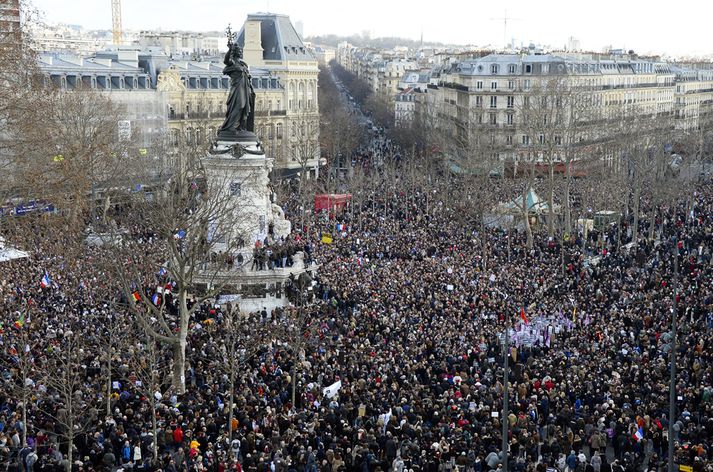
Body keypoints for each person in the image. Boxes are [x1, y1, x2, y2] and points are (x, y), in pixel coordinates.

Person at [217, 43, 255, 138]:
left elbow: (248, 77)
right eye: (239, 50)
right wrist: (230, 50)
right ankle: (231, 126)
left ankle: (240, 126)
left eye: (241, 51)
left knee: (245, 107)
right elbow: (226, 61)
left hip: (245, 89)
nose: (240, 52)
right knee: (239, 105)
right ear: (235, 52)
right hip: (237, 89)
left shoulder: (243, 64)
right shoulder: (233, 62)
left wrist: (251, 89)